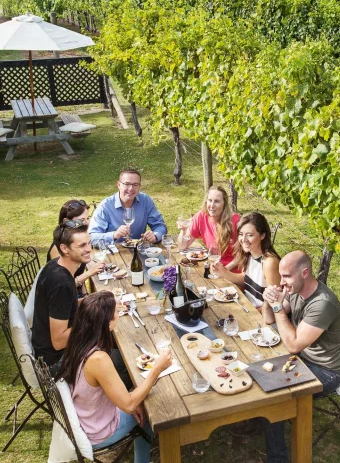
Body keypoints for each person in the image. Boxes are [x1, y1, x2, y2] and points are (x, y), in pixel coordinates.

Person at [57, 291, 172, 463]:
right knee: (149, 410)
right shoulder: (98, 359)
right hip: (97, 432)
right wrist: (157, 368)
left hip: (84, 416)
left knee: (139, 401)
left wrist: (132, 403)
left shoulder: (79, 341)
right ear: (108, 322)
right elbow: (129, 404)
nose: (119, 314)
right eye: (116, 312)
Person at [259, 251, 340, 463]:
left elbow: (292, 344)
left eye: (286, 276)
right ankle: (259, 419)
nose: (282, 282)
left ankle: (278, 458)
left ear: (305, 273)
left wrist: (278, 309)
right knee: (258, 370)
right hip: (304, 358)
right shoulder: (296, 290)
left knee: (275, 397)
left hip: (327, 371)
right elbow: (268, 318)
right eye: (281, 277)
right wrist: (268, 301)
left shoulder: (322, 304)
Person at [33, 220, 104, 372]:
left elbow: (64, 307)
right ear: (64, 248)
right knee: (121, 362)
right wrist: (96, 323)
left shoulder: (55, 265)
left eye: (89, 243)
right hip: (56, 361)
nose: (88, 249)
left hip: (53, 351)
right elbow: (58, 341)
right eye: (81, 246)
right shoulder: (61, 284)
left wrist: (91, 302)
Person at [211, 212, 280, 308]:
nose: (244, 239)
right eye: (241, 234)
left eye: (250, 235)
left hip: (262, 316)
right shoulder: (249, 254)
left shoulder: (269, 262)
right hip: (247, 306)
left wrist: (251, 313)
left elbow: (275, 302)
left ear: (262, 236)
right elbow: (245, 279)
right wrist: (223, 272)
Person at [89, 168, 167, 246]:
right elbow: (91, 238)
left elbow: (160, 226)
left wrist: (155, 235)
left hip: (139, 251)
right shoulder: (105, 206)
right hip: (113, 254)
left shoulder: (145, 201)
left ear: (139, 186)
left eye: (135, 185)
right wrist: (114, 235)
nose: (131, 188)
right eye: (127, 184)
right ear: (118, 185)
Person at [178, 185, 241, 267]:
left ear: (224, 204)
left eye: (217, 201)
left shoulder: (236, 221)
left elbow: (243, 254)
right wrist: (183, 231)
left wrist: (225, 270)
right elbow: (183, 246)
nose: (212, 205)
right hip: (213, 265)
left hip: (233, 269)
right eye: (210, 200)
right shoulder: (201, 216)